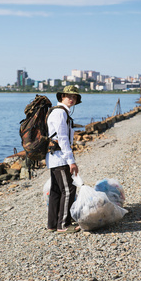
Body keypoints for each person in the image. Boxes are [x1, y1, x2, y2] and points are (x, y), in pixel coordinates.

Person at [45, 85, 82, 233]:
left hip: (54, 157)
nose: (72, 99)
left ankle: (52, 224)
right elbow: (63, 138)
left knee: (56, 191)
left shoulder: (58, 112)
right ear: (62, 97)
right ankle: (63, 225)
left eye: (74, 97)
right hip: (60, 158)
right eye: (69, 96)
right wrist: (71, 161)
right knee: (68, 189)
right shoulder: (60, 113)